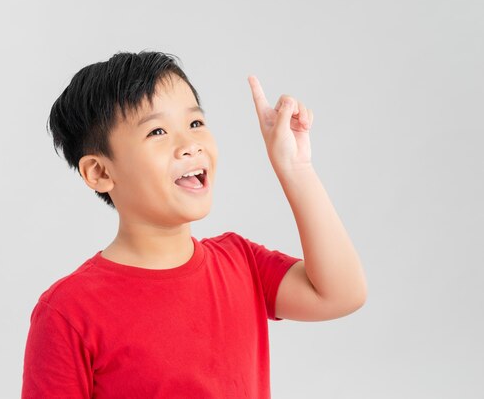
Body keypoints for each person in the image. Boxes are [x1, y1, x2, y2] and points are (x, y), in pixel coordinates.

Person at [21, 50, 367, 398]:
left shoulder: (241, 263)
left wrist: (296, 169)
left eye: (195, 124)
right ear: (99, 172)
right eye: (157, 131)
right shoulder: (67, 312)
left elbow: (340, 294)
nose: (189, 145)